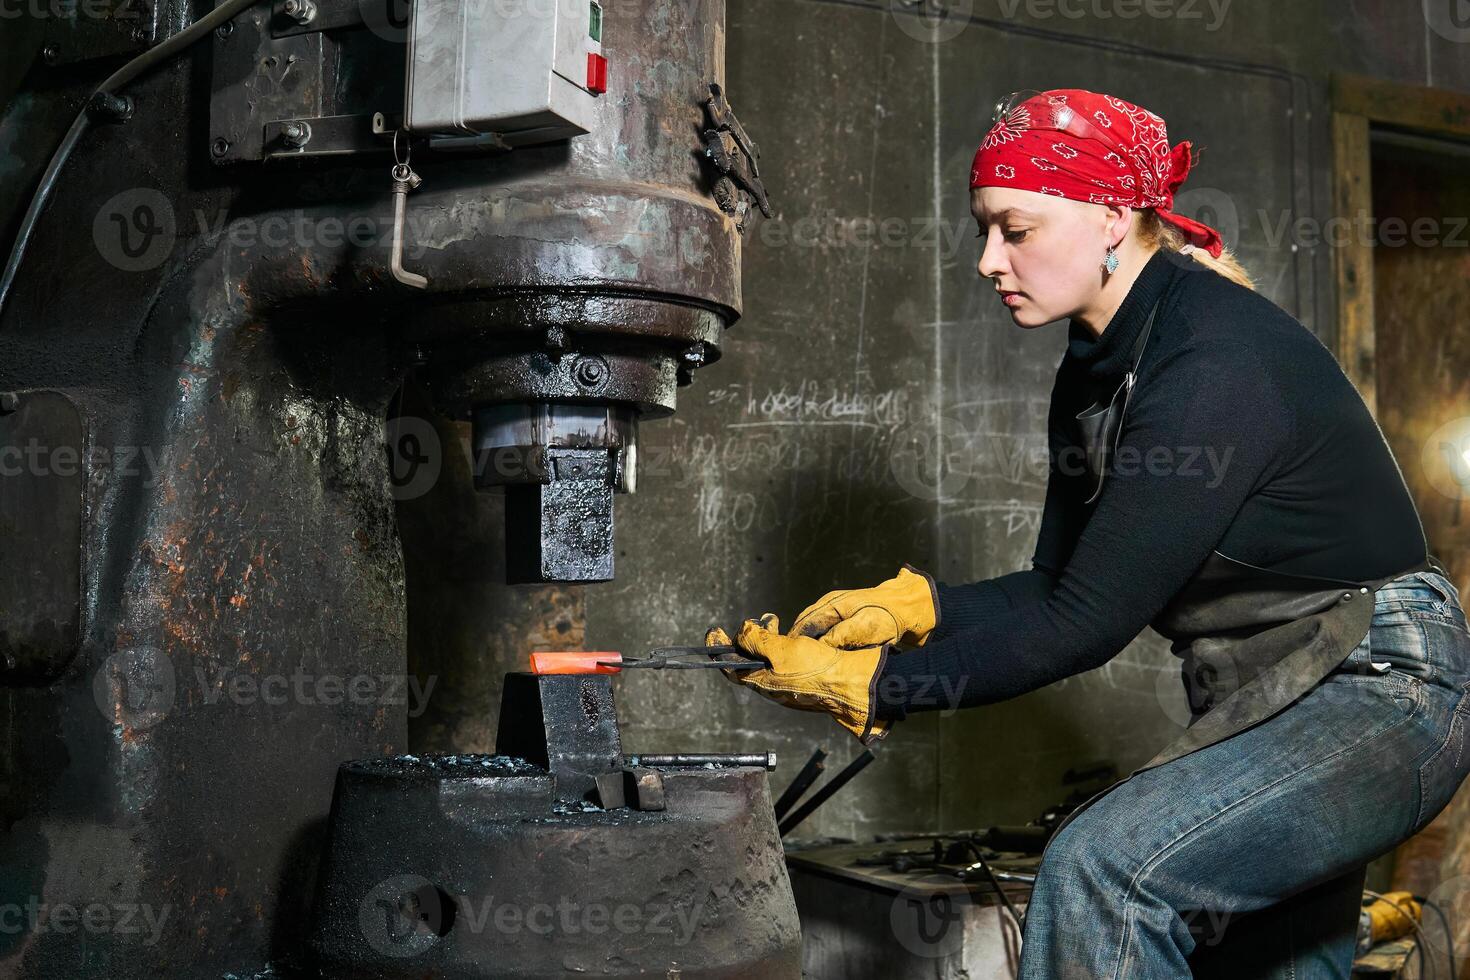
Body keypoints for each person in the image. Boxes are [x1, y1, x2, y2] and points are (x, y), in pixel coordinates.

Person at [708, 88, 1470, 977]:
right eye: (983, 230)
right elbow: (1059, 585)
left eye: (1017, 230)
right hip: (1268, 699)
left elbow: (1086, 627)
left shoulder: (1211, 361)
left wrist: (875, 685)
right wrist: (921, 609)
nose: (990, 259)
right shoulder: (1092, 373)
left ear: (1112, 217)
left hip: (1383, 692)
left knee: (1104, 869)